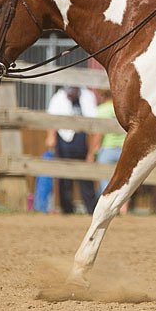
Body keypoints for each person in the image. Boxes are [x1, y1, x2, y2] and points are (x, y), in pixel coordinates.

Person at [45, 85, 98, 214]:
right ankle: (66, 209)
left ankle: (91, 210)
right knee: (64, 179)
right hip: (63, 140)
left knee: (85, 178)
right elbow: (51, 120)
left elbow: (94, 123)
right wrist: (51, 137)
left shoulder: (87, 97)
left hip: (81, 139)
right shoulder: (58, 98)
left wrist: (91, 151)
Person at [87, 89, 127, 202]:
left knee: (105, 180)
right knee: (124, 182)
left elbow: (98, 135)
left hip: (108, 149)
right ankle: (123, 210)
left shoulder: (102, 110)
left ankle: (108, 204)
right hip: (123, 149)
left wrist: (91, 153)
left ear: (102, 95)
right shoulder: (122, 109)